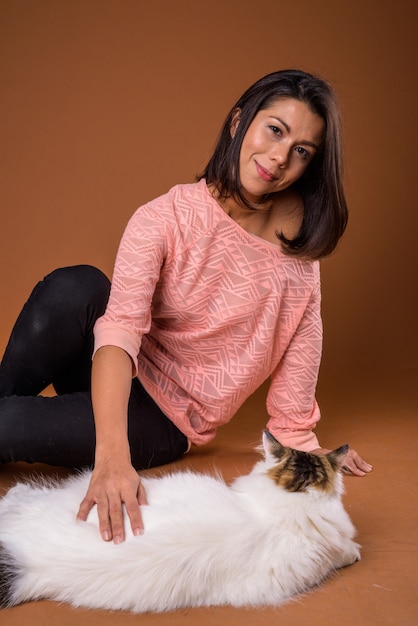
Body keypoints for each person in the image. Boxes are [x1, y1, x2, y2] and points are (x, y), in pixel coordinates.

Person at [0, 69, 372, 544]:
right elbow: (119, 332)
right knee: (76, 286)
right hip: (116, 368)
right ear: (240, 122)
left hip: (162, 420)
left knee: (9, 422)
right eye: (274, 130)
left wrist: (304, 444)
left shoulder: (300, 254)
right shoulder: (165, 216)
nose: (279, 158)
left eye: (302, 151)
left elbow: (302, 352)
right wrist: (111, 459)